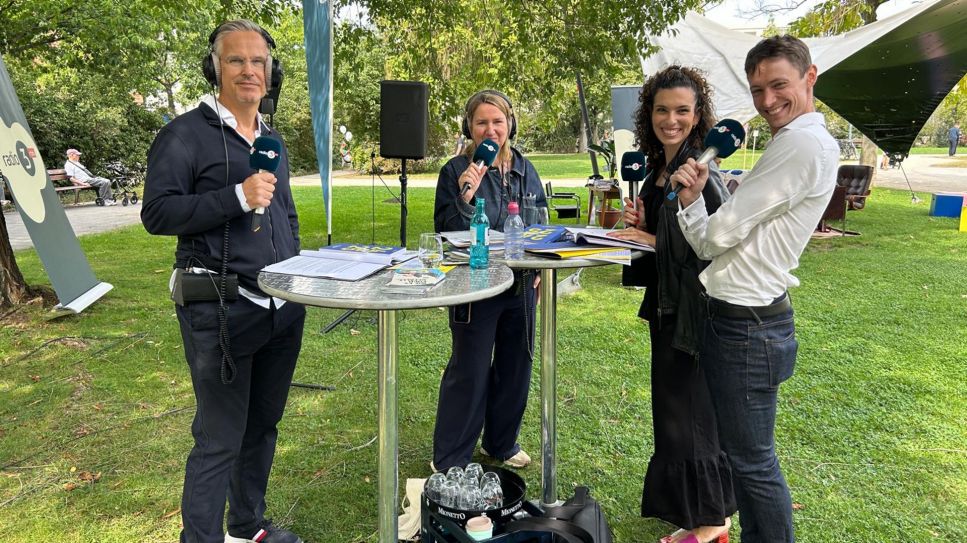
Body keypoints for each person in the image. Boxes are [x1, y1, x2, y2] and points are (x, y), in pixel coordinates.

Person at [141, 20, 305, 543]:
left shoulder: (271, 139)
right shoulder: (184, 134)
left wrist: (294, 269)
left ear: (271, 71)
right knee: (219, 440)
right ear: (215, 67)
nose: (249, 71)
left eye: (259, 61)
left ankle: (245, 527)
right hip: (221, 310)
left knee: (262, 428)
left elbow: (285, 216)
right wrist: (235, 196)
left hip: (280, 308)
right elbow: (157, 212)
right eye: (236, 60)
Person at [671, 36, 838, 543]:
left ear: (810, 78)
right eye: (758, 89)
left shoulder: (803, 143)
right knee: (747, 459)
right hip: (750, 321)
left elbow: (716, 238)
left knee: (753, 464)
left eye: (779, 85)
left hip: (747, 327)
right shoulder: (794, 142)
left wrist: (692, 202)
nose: (767, 101)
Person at [608, 66, 735, 543]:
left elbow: (712, 245)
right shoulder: (659, 168)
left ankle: (710, 525)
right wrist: (643, 219)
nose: (671, 119)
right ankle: (695, 512)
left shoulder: (702, 170)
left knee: (691, 411)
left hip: (694, 311)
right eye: (662, 109)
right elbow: (666, 231)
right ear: (649, 114)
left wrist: (651, 236)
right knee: (673, 409)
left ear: (697, 115)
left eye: (682, 110)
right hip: (665, 307)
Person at [431, 90, 547, 472]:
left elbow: (540, 225)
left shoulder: (525, 169)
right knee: (471, 368)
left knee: (517, 365)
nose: (490, 129)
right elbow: (446, 233)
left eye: (497, 121)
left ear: (510, 124)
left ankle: (501, 442)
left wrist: (542, 270)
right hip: (473, 286)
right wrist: (467, 193)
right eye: (482, 122)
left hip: (521, 285)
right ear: (470, 127)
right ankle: (451, 458)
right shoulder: (453, 171)